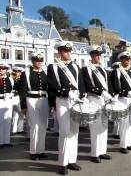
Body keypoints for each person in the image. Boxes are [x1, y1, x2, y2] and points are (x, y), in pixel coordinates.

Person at [47, 41, 86, 175]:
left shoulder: (76, 66)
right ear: (59, 52)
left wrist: (83, 95)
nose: (68, 53)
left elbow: (81, 83)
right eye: (65, 51)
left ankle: (71, 160)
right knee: (64, 132)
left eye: (69, 51)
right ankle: (62, 163)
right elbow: (52, 86)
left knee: (74, 132)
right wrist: (66, 93)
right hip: (63, 101)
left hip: (76, 101)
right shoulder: (53, 67)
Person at [81, 45, 113, 163]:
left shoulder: (103, 70)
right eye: (96, 54)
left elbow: (108, 84)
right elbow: (88, 84)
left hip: (104, 100)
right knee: (95, 127)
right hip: (93, 99)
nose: (99, 56)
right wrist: (101, 92)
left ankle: (102, 151)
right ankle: (94, 154)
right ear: (91, 56)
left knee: (104, 127)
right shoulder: (86, 69)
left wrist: (111, 95)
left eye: (100, 54)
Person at [19, 52, 49, 160]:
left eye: (41, 60)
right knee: (35, 125)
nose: (39, 62)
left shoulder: (45, 72)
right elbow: (22, 90)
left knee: (43, 126)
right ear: (33, 61)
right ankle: (33, 151)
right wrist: (23, 105)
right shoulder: (26, 73)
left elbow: (49, 88)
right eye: (37, 60)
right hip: (31, 99)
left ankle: (41, 151)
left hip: (44, 100)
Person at [111, 51, 131, 154]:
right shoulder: (117, 71)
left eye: (128, 59)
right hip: (122, 99)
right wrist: (127, 92)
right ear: (121, 60)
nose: (127, 61)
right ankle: (123, 145)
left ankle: (130, 143)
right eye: (125, 59)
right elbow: (116, 86)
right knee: (124, 123)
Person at [0, 63, 14, 148]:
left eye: (3, 69)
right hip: (0, 100)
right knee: (0, 121)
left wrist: (10, 94)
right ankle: (0, 141)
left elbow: (13, 89)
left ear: (6, 70)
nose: (2, 70)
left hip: (8, 101)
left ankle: (6, 140)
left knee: (8, 120)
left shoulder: (10, 79)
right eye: (0, 69)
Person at [11, 67, 25, 134]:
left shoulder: (21, 79)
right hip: (14, 97)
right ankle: (14, 129)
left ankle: (20, 129)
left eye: (19, 72)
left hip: (20, 97)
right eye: (16, 72)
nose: (17, 73)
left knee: (21, 113)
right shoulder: (11, 79)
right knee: (15, 114)